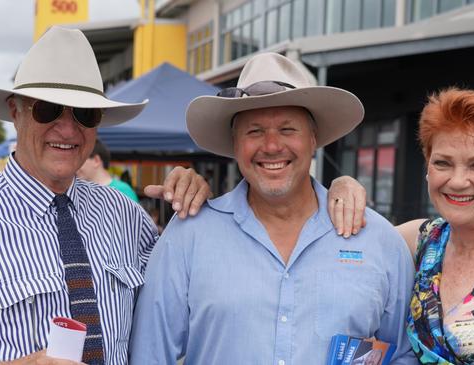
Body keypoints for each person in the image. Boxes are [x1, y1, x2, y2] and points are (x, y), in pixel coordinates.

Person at [0, 26, 211, 365]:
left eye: (85, 114)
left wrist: (194, 208)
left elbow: (182, 304)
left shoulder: (125, 215)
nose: (68, 129)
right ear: (16, 111)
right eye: (48, 110)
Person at [129, 52, 416, 364]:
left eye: (287, 129)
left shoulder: (378, 241)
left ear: (313, 139)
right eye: (254, 131)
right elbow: (150, 354)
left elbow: (402, 354)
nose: (271, 146)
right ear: (235, 144)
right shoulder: (187, 237)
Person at [328, 88, 474, 363]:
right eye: (443, 163)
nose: (457, 181)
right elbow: (344, 238)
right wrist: (341, 185)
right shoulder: (422, 241)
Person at [76, 138, 139, 202]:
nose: (75, 166)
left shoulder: (122, 191)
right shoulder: (79, 191)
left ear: (96, 160)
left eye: (80, 160)